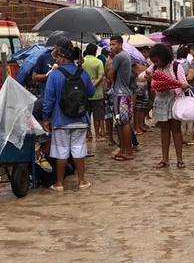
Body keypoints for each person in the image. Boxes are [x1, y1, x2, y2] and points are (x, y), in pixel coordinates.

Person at [42, 42, 96, 190]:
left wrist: (46, 118)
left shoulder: (54, 75)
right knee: (79, 150)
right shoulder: (83, 73)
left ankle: (59, 184)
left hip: (60, 121)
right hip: (80, 119)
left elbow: (49, 100)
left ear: (64, 58)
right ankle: (82, 182)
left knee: (61, 152)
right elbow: (91, 93)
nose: (56, 60)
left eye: (58, 57)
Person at [145, 44, 190, 168]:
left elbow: (183, 83)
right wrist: (147, 76)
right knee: (164, 131)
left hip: (174, 101)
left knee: (176, 129)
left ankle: (179, 159)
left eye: (156, 60)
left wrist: (178, 84)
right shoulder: (154, 68)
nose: (155, 63)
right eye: (153, 61)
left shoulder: (176, 66)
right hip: (161, 102)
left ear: (163, 57)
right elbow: (143, 76)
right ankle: (165, 159)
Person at [107, 34, 135, 161]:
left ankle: (128, 151)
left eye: (114, 44)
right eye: (110, 44)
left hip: (120, 94)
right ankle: (124, 149)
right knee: (121, 122)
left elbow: (109, 75)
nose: (111, 47)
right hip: (125, 92)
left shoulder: (118, 57)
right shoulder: (126, 56)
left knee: (123, 123)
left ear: (120, 44)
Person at [82, 43, 107, 145]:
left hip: (84, 93)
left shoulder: (81, 62)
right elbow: (101, 77)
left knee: (86, 114)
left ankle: (88, 134)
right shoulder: (99, 62)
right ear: (96, 51)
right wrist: (93, 86)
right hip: (97, 93)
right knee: (98, 116)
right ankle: (97, 135)